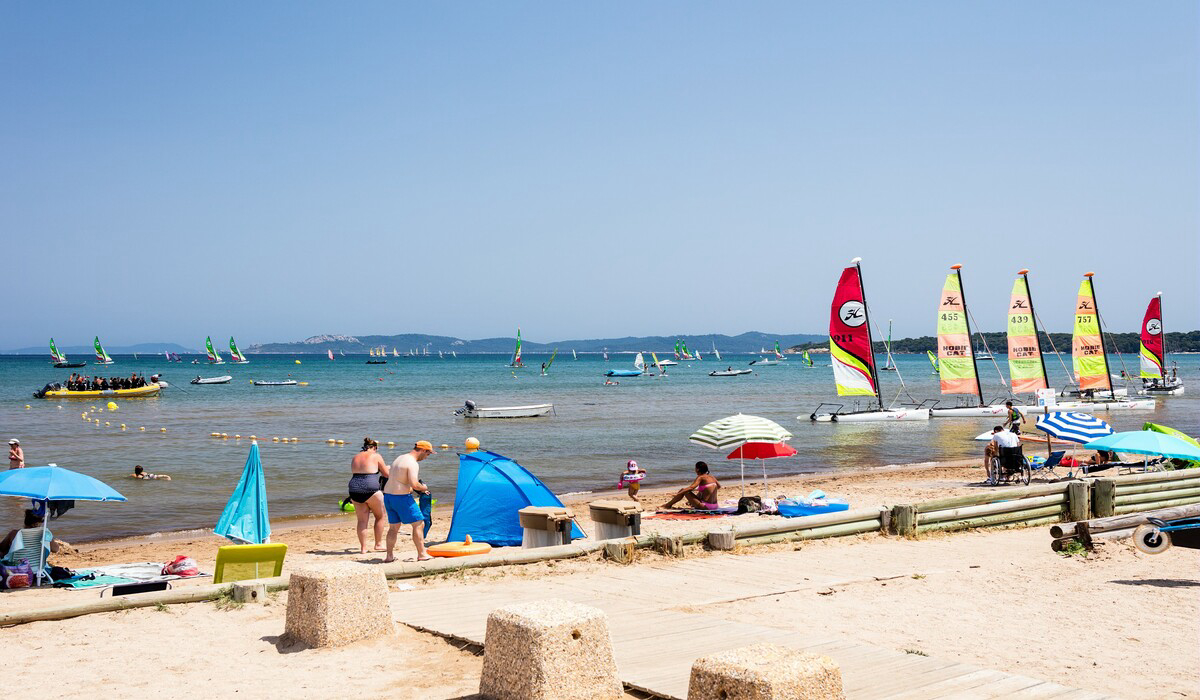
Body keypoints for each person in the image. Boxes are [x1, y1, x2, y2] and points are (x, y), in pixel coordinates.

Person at [383, 440, 434, 562]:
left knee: (393, 527)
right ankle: (422, 554)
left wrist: (414, 488)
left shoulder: (400, 458)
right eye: (428, 454)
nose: (427, 457)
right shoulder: (412, 463)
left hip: (388, 496)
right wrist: (424, 488)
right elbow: (414, 484)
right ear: (423, 450)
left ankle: (389, 556)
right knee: (418, 524)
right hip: (401, 498)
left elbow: (398, 479)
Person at [348, 438, 390, 554]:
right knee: (380, 516)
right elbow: (386, 474)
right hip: (371, 488)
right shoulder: (376, 456)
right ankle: (378, 544)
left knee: (362, 520)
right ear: (374, 448)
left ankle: (363, 548)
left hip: (354, 488)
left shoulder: (355, 457)